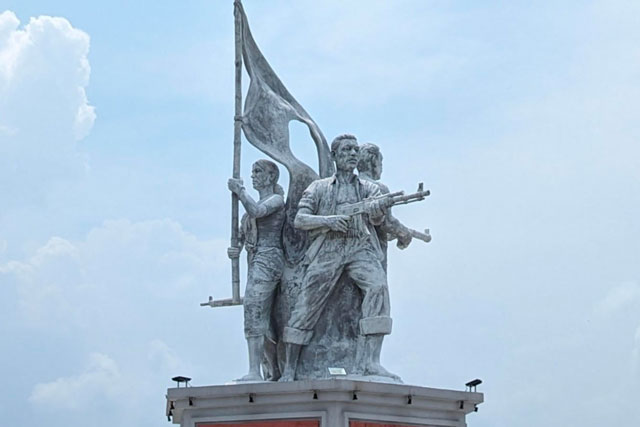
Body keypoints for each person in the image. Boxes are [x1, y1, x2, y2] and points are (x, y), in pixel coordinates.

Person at [279, 134, 399, 382]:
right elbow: (300, 220)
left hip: (359, 246)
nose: (353, 154)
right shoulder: (319, 187)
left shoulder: (369, 189)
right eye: (346, 150)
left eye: (355, 150)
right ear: (334, 155)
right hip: (329, 248)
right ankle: (290, 368)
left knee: (378, 288)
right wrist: (329, 221)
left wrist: (376, 212)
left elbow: (377, 220)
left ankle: (372, 362)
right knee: (306, 303)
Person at [227, 159, 286, 381]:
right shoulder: (247, 214)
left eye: (258, 171)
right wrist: (235, 249)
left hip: (270, 259)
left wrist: (240, 191)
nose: (253, 176)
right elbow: (241, 237)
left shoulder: (276, 200)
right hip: (254, 260)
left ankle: (254, 371)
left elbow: (257, 211)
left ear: (271, 177)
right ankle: (271, 369)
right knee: (262, 320)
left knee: (254, 309)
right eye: (252, 172)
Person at [357, 142, 413, 270]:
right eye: (380, 163)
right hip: (371, 257)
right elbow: (387, 223)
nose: (381, 168)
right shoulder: (378, 188)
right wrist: (404, 234)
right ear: (373, 162)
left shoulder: (348, 187)